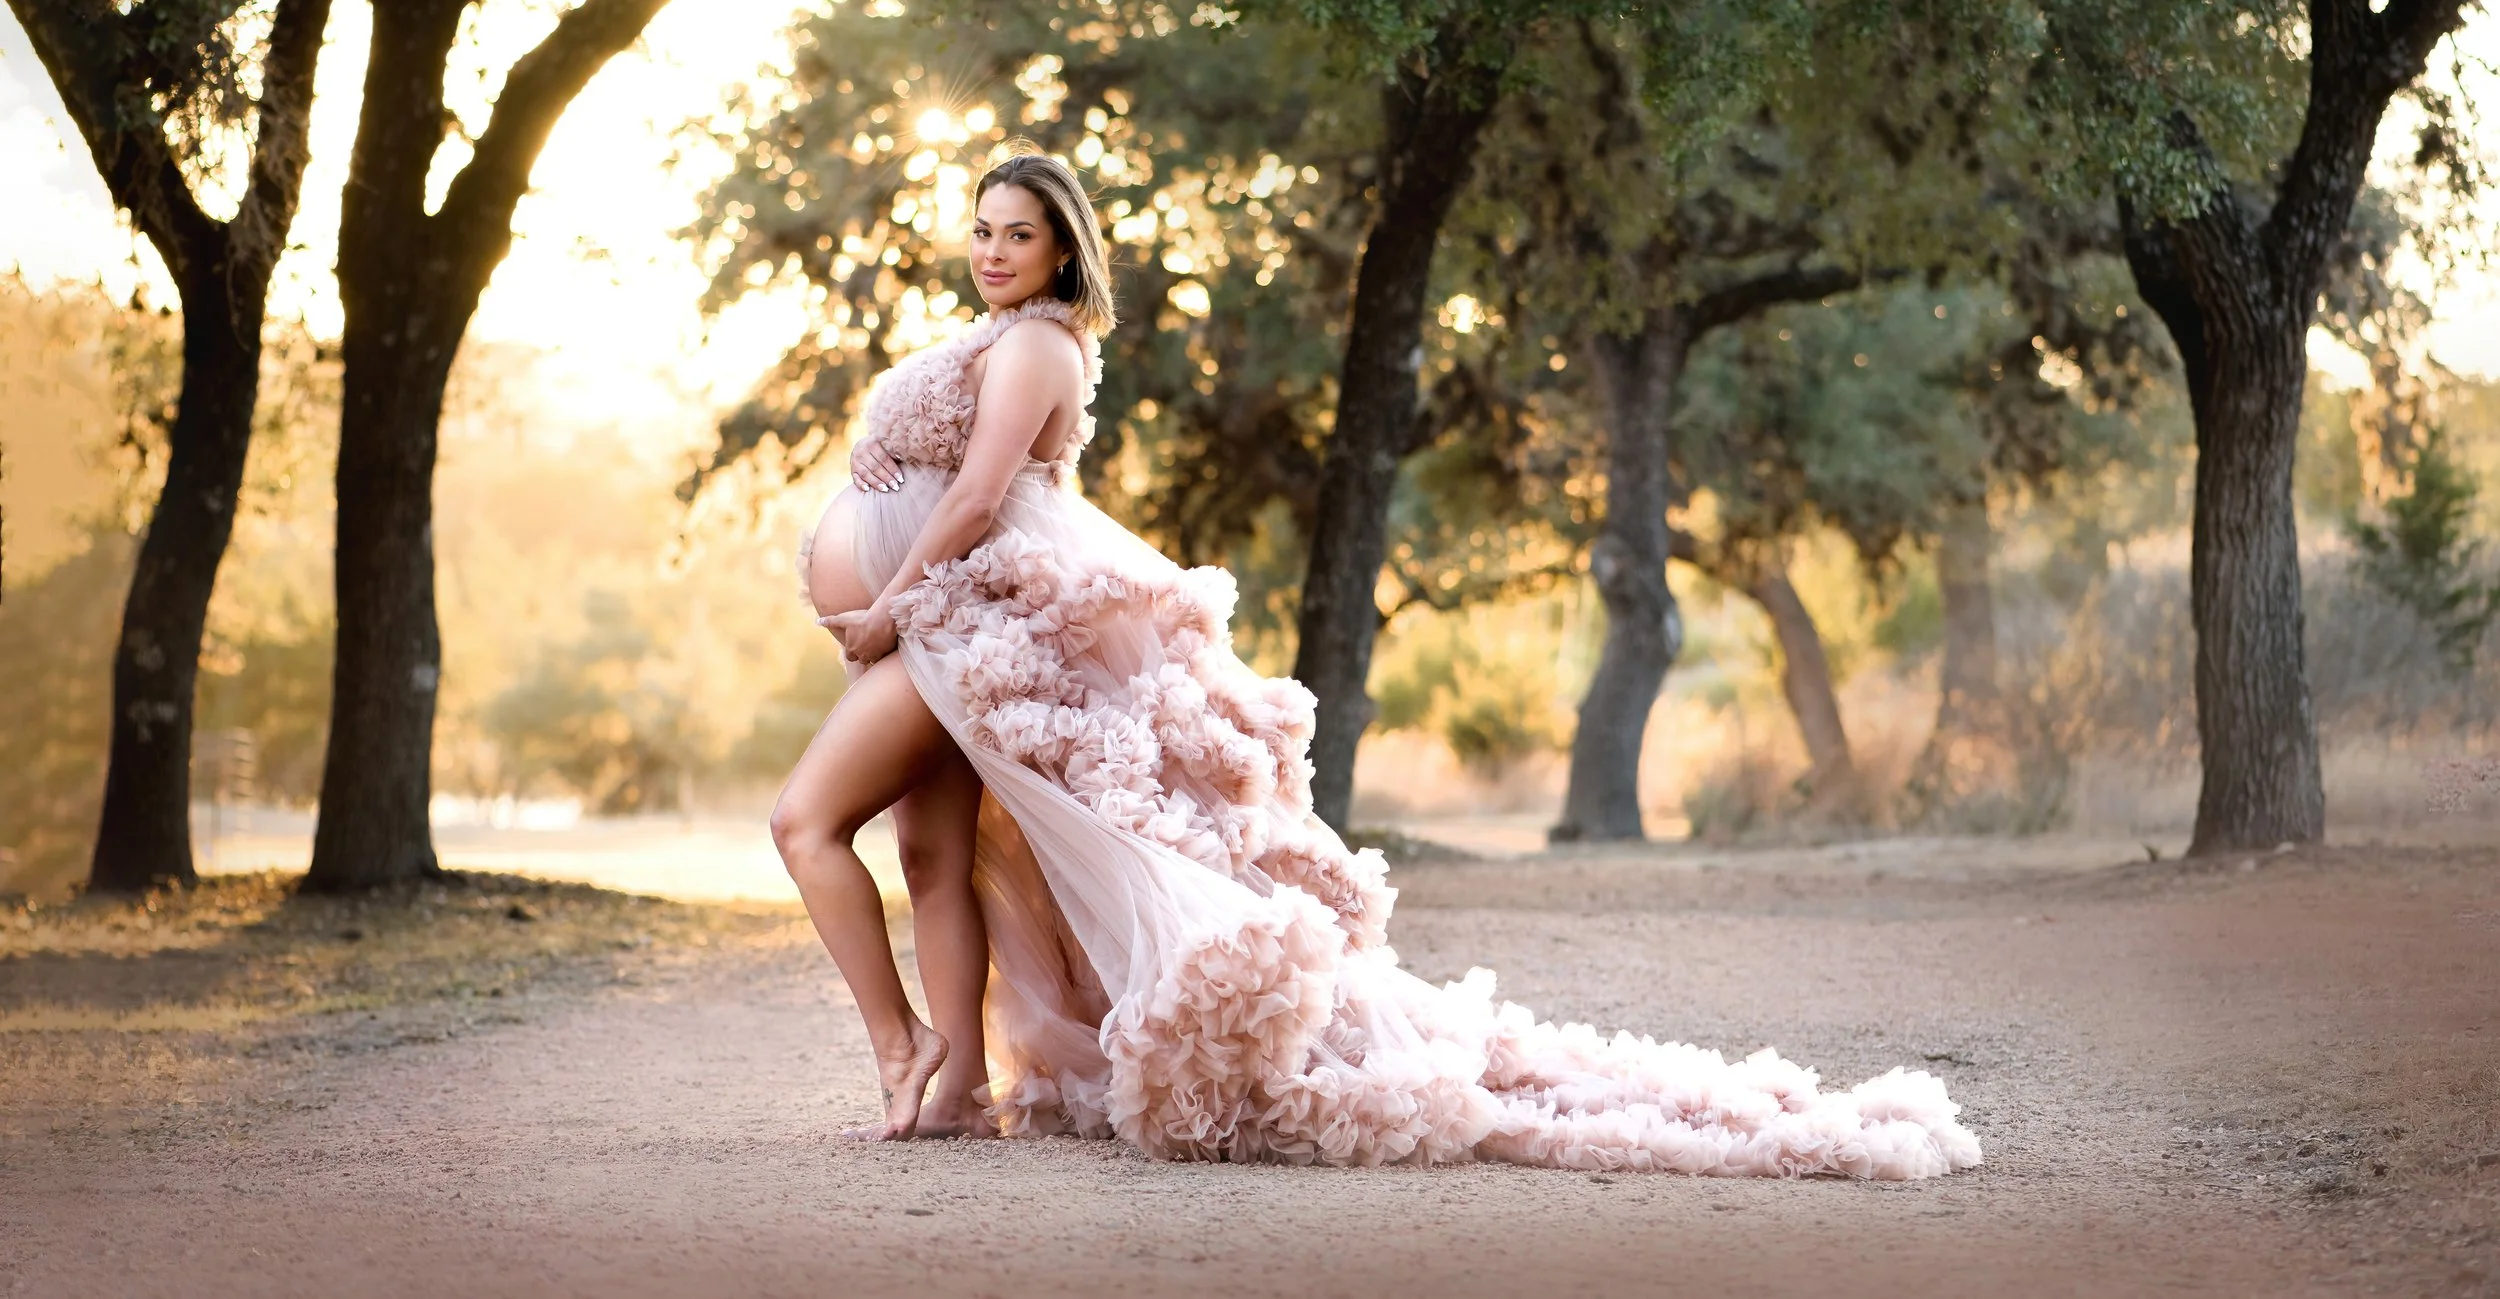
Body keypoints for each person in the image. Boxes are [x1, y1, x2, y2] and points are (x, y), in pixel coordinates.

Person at [771, 149, 1983, 1174]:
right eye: (983, 230)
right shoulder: (997, 337)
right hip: (950, 621)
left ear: (1061, 252)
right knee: (935, 855)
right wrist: (884, 458)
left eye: (1019, 234)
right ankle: (957, 1091)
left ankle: (902, 1042)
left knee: (805, 822)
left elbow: (980, 494)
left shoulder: (1040, 344)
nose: (993, 251)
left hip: (946, 624)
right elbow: (962, 469)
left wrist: (890, 601)